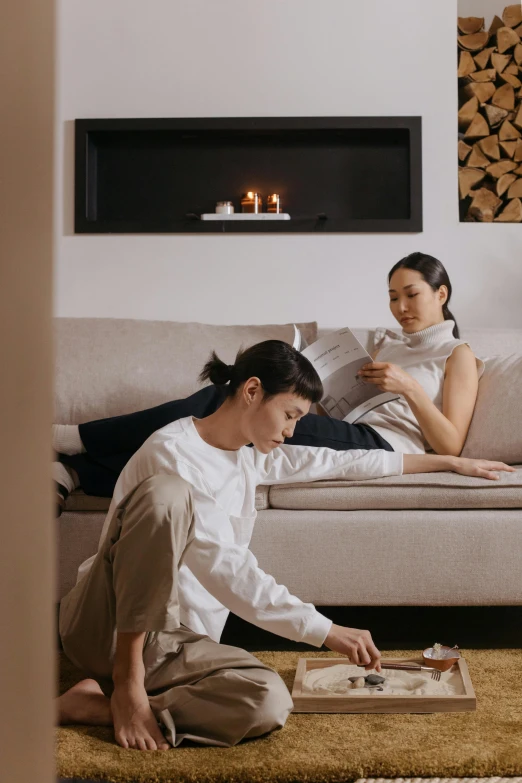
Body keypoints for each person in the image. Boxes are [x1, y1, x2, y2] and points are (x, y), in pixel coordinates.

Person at [57, 339, 513, 751]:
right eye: (291, 414)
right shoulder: (172, 452)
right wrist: (325, 630)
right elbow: (225, 567)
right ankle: (128, 684)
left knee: (267, 700)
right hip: (107, 623)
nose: (293, 430)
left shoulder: (247, 456)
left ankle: (96, 705)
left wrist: (449, 460)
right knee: (167, 495)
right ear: (252, 391)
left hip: (174, 640)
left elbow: (344, 462)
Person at [53, 252, 486, 512]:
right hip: (353, 427)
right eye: (393, 297)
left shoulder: (457, 355)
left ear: (441, 294)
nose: (401, 306)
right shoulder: (390, 344)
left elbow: (450, 443)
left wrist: (408, 387)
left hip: (385, 444)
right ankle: (79, 471)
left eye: (412, 294)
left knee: (219, 402)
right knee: (219, 441)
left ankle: (75, 443)